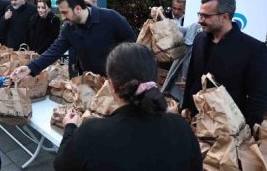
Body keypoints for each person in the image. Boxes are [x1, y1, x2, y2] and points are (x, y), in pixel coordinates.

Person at [53, 43, 202, 171]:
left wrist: (70, 128)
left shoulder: (91, 133)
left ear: (111, 86)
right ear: (155, 79)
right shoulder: (182, 128)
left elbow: (61, 165)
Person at [182, 0, 267, 127]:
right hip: (195, 123)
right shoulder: (199, 39)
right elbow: (192, 79)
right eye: (200, 14)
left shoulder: (254, 49)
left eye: (206, 16)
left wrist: (247, 131)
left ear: (224, 17)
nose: (199, 20)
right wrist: (185, 111)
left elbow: (258, 97)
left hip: (229, 132)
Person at [10, 0, 136, 80]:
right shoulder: (68, 29)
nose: (63, 18)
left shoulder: (110, 17)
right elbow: (53, 52)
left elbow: (133, 43)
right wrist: (29, 68)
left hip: (116, 81)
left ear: (78, 9)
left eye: (65, 13)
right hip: (90, 82)